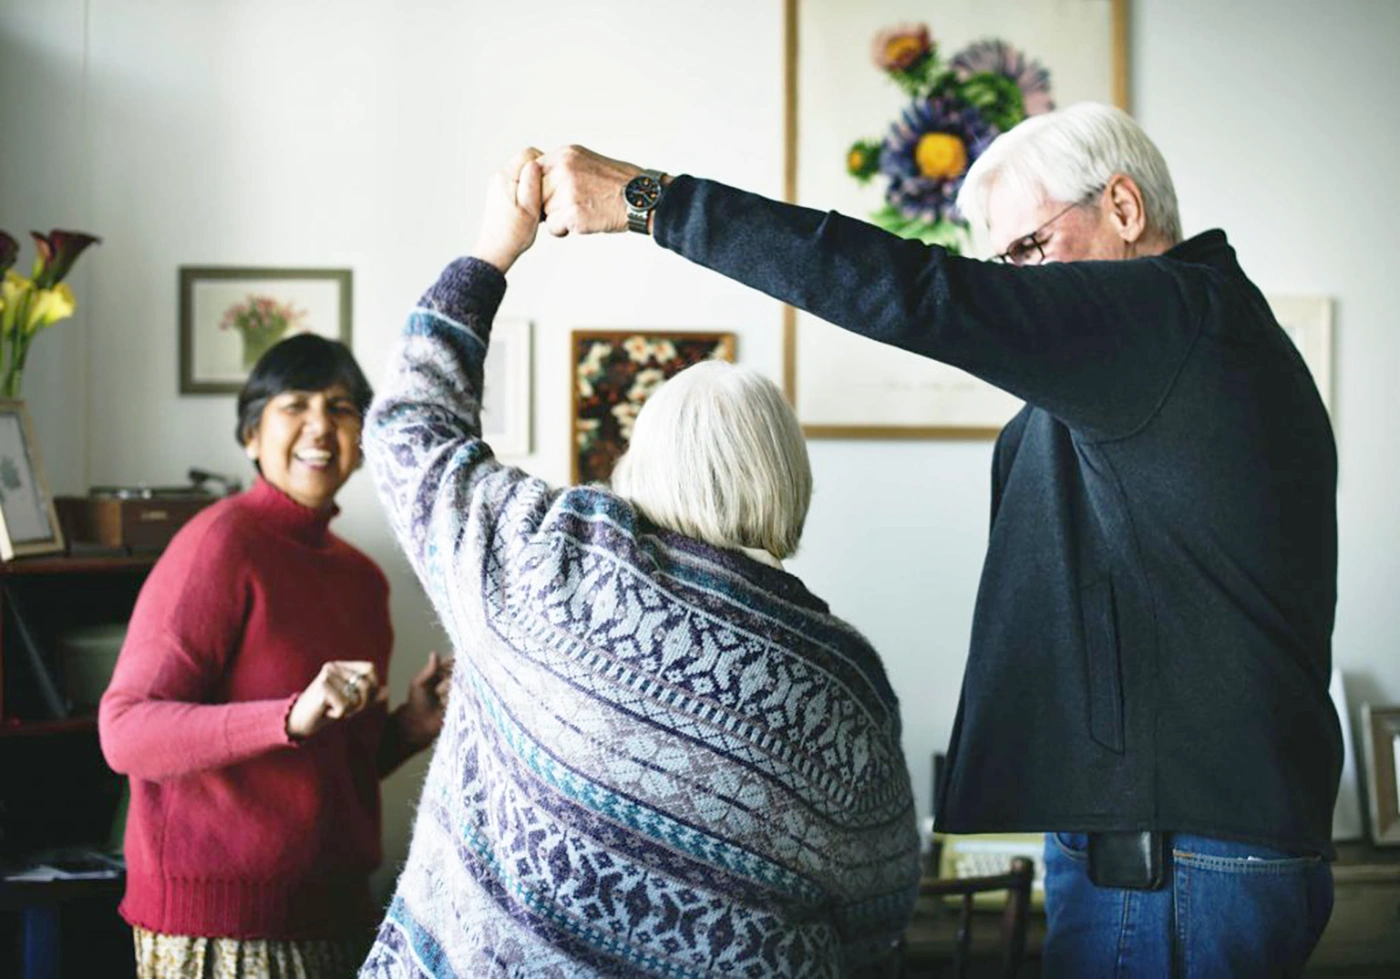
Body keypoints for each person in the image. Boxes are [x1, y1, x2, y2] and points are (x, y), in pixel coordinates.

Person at [536, 101, 1342, 976]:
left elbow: (923, 295)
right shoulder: (1195, 338)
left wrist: (652, 201)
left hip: (1173, 862)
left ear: (1122, 206)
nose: (1018, 282)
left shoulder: (1170, 317)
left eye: (1030, 250)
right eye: (1005, 264)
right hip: (1179, 846)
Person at [357, 149, 921, 978]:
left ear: (640, 463)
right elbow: (878, 915)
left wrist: (491, 253)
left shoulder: (545, 559)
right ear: (789, 485)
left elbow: (409, 429)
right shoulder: (843, 684)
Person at [99, 333, 452, 979]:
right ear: (251, 435)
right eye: (296, 405)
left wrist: (409, 726)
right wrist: (286, 715)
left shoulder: (363, 578)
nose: (321, 425)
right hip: (221, 928)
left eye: (341, 408)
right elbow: (125, 732)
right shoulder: (219, 543)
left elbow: (328, 768)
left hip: (336, 916)